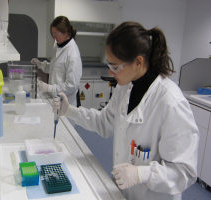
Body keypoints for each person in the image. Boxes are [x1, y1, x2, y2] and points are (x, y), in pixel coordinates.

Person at [53, 21, 199, 200]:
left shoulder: (171, 103)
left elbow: (184, 172)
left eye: (115, 66)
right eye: (109, 65)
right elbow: (104, 122)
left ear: (138, 62)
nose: (111, 72)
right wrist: (70, 111)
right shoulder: (125, 87)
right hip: (124, 192)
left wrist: (142, 174)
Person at [31, 16, 82, 106]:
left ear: (66, 32)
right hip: (54, 100)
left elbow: (71, 86)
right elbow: (55, 67)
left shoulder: (72, 53)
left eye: (56, 34)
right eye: (52, 34)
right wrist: (41, 64)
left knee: (63, 120)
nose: (54, 38)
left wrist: (49, 88)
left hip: (66, 103)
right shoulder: (58, 45)